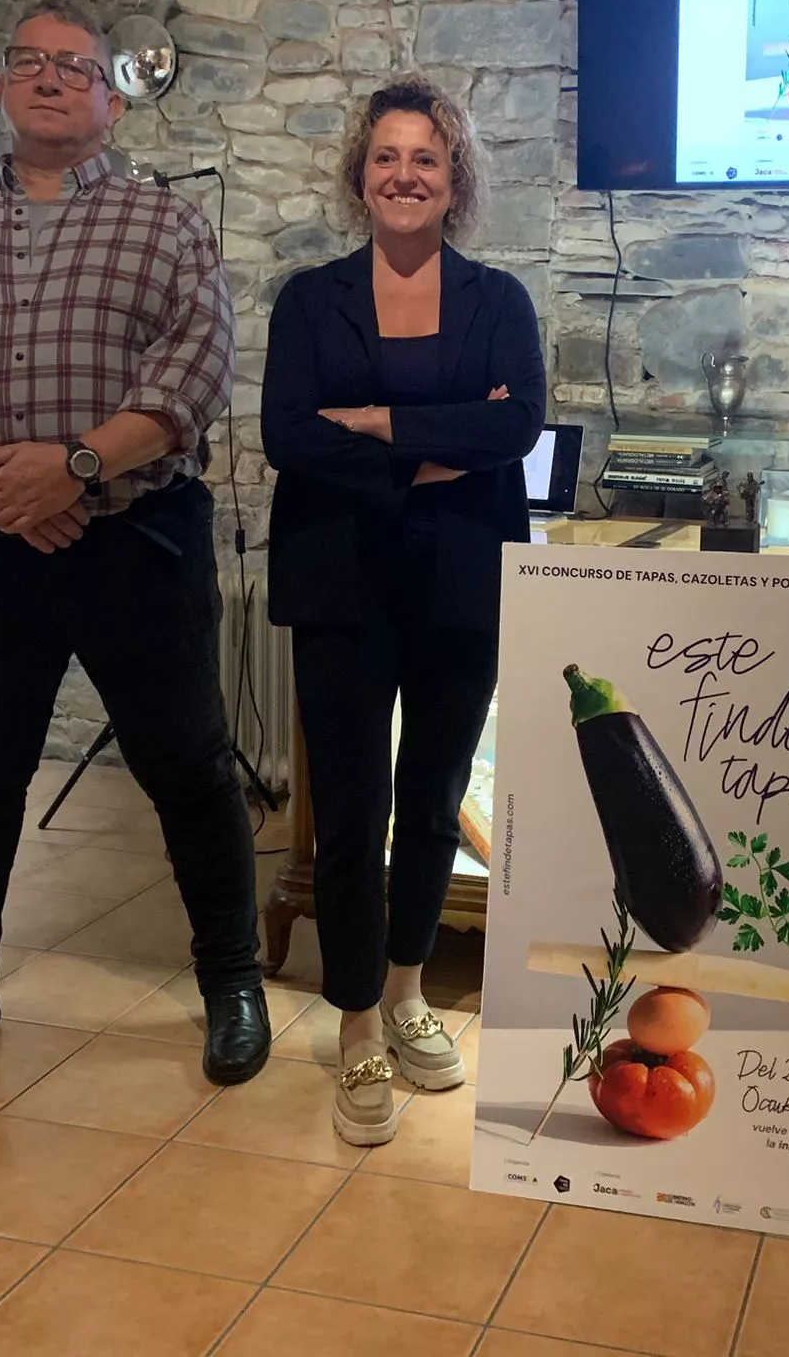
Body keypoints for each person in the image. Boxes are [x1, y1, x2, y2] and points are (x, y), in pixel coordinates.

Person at [0, 0, 271, 1091]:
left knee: (188, 769)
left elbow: (193, 373)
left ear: (111, 103)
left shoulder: (167, 225)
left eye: (75, 67)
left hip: (137, 542)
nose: (50, 79)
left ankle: (232, 978)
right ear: (1, 86)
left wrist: (71, 465)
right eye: (30, 62)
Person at [261, 76, 546, 1146]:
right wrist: (436, 444)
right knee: (348, 811)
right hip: (341, 578)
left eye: (425, 158)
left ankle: (408, 991)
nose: (404, 175)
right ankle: (353, 1023)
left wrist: (375, 420)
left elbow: (517, 426)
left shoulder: (499, 300)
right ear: (360, 175)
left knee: (431, 802)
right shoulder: (309, 299)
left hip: (460, 579)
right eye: (386, 156)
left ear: (454, 180)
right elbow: (289, 434)